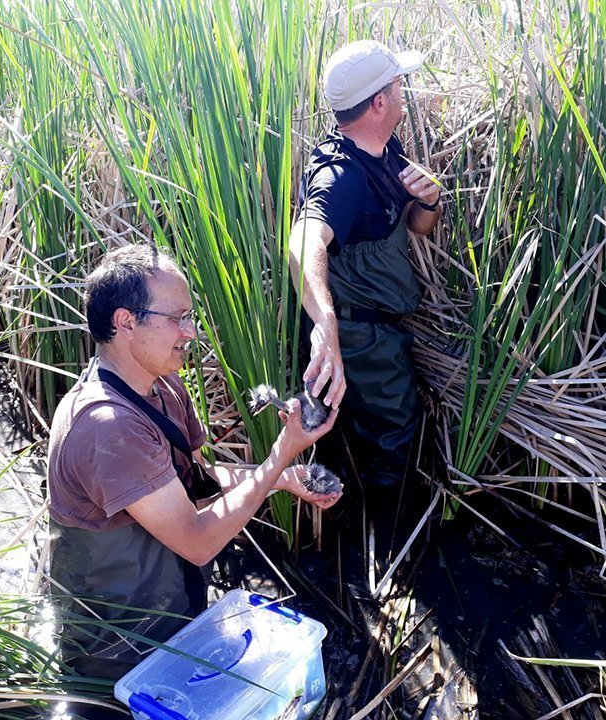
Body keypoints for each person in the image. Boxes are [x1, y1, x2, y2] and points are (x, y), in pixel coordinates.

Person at [47, 244, 339, 680]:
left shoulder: (163, 385)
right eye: (177, 318)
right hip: (119, 653)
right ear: (126, 322)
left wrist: (282, 476)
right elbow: (198, 541)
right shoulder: (106, 426)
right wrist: (281, 452)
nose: (192, 332)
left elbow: (198, 481)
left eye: (190, 317)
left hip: (172, 621)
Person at [289, 41, 441, 552]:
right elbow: (304, 242)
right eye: (397, 86)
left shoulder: (382, 153)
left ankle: (364, 541)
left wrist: (430, 201)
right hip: (364, 339)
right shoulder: (342, 178)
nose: (403, 93)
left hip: (379, 332)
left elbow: (416, 225)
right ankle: (392, 549)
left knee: (374, 439)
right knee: (394, 438)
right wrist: (327, 324)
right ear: (379, 102)